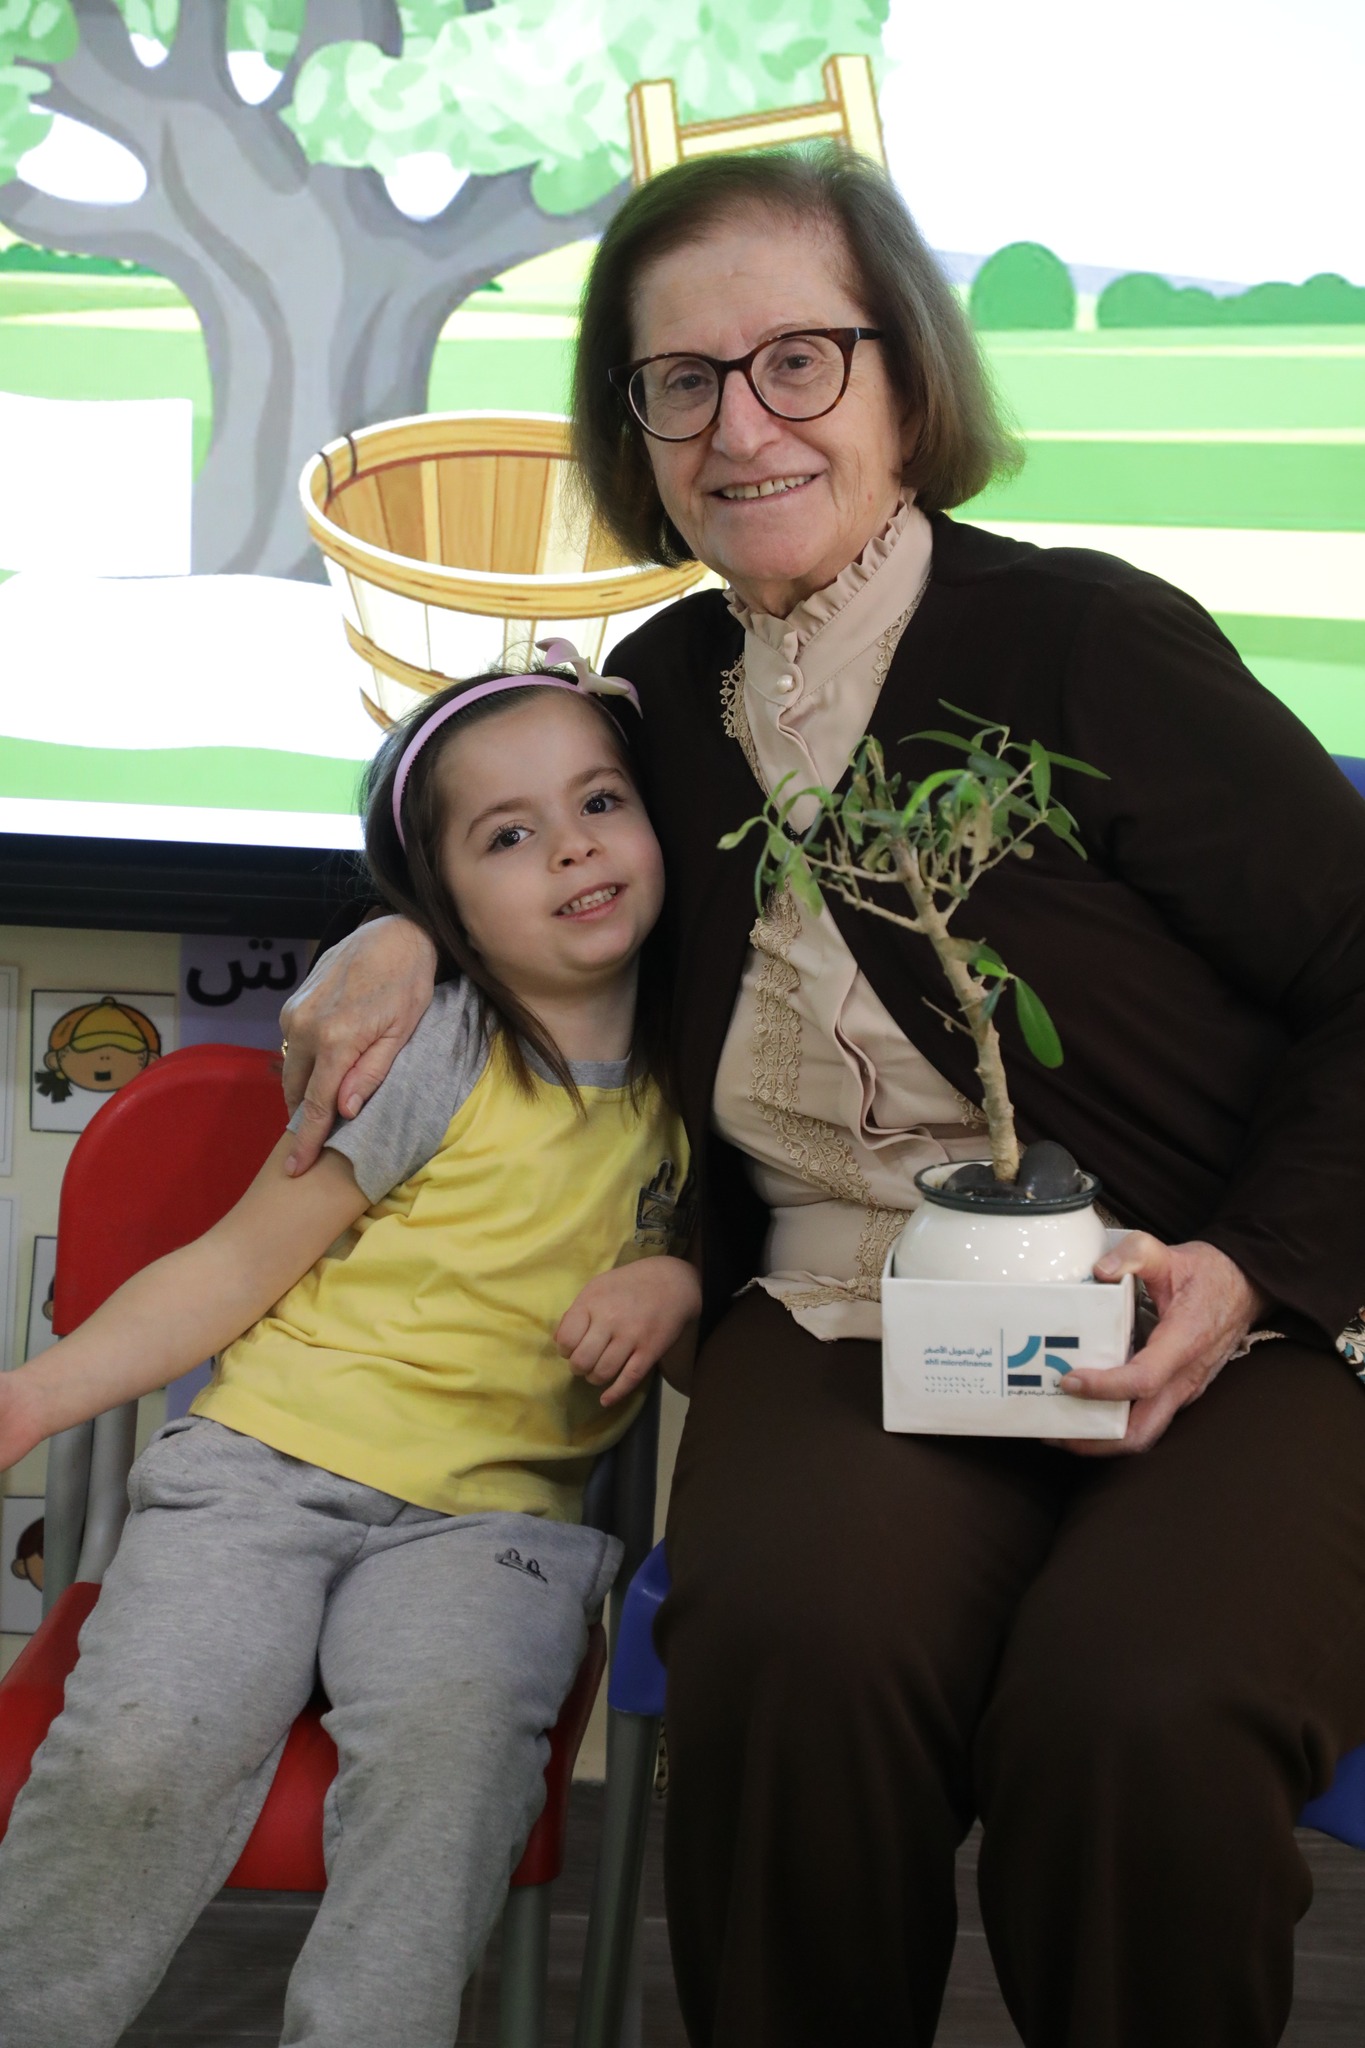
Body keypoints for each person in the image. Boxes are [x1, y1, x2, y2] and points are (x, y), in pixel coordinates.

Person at [277, 148, 1365, 2048]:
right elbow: (516, 838)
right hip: (841, 1299)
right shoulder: (665, 686)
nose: (739, 424)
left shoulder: (1085, 640)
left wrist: (1252, 1267)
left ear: (905, 382)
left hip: (1217, 1303)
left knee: (1132, 1711)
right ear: (634, 426)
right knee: (791, 1655)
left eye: (797, 360)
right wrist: (393, 927)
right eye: (679, 380)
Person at [0, 656, 699, 2048]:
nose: (572, 846)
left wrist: (676, 1280)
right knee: (141, 1754)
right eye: (508, 833)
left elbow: (736, 1292)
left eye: (600, 801)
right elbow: (233, 1267)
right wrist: (28, 1398)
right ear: (441, 910)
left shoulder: (712, 1069)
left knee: (448, 1785)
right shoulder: (431, 1043)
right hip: (263, 1473)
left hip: (493, 1528)